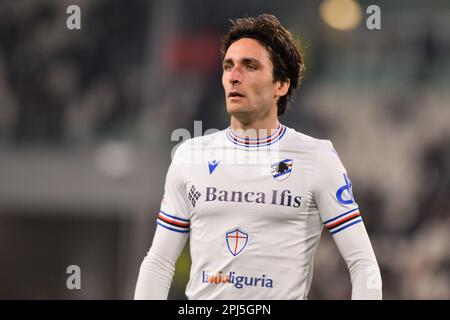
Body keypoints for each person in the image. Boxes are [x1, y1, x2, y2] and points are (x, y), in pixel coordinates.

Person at [134, 13, 382, 300]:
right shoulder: (190, 155)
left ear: (281, 85)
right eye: (229, 66)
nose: (234, 76)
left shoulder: (317, 158)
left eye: (250, 66)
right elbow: (159, 262)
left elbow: (363, 263)